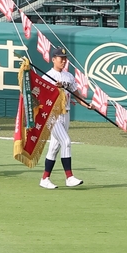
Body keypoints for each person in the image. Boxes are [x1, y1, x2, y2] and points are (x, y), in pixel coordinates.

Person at [39, 46, 90, 189]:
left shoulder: (69, 76)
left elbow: (76, 94)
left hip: (65, 114)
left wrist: (86, 104)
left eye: (65, 58)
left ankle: (44, 179)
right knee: (66, 142)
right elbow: (41, 97)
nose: (64, 61)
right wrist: (55, 88)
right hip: (53, 115)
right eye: (61, 58)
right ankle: (69, 177)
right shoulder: (47, 76)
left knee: (54, 148)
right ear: (53, 59)